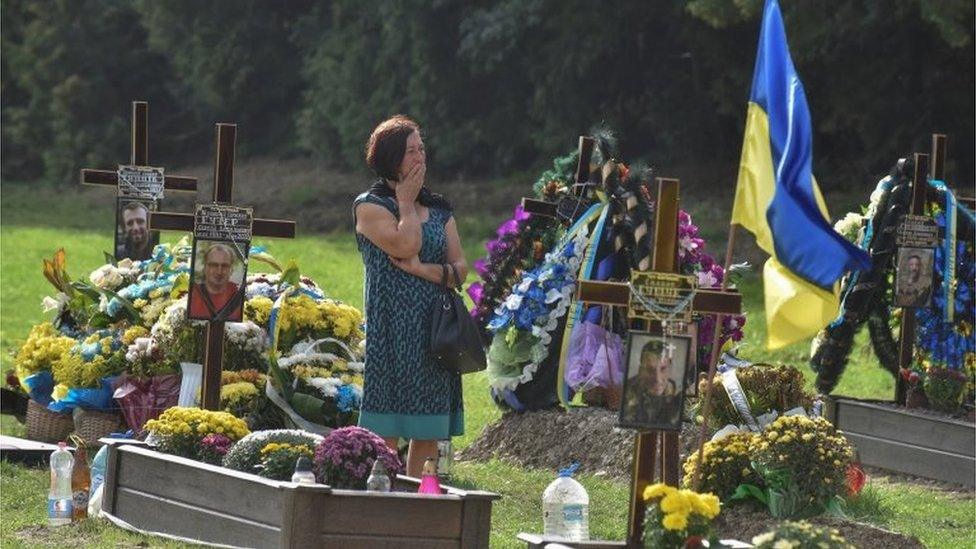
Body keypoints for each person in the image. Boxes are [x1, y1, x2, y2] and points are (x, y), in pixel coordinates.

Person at [353, 115, 467, 478]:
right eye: (410, 151)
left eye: (422, 149)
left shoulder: (440, 209)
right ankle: (381, 501)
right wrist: (404, 201)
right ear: (390, 158)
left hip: (435, 330)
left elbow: (460, 269)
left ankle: (418, 501)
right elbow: (407, 243)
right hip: (391, 329)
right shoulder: (369, 206)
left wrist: (422, 271)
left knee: (427, 431)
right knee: (384, 433)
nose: (420, 157)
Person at [621, 340, 681, 427]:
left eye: (663, 369)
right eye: (650, 370)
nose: (657, 378)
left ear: (670, 369)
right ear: (640, 369)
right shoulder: (628, 391)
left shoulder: (678, 395)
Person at [189, 243, 242, 320]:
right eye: (213, 265)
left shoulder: (239, 293)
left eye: (224, 266)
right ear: (205, 268)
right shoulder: (192, 292)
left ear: (231, 270)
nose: (219, 272)